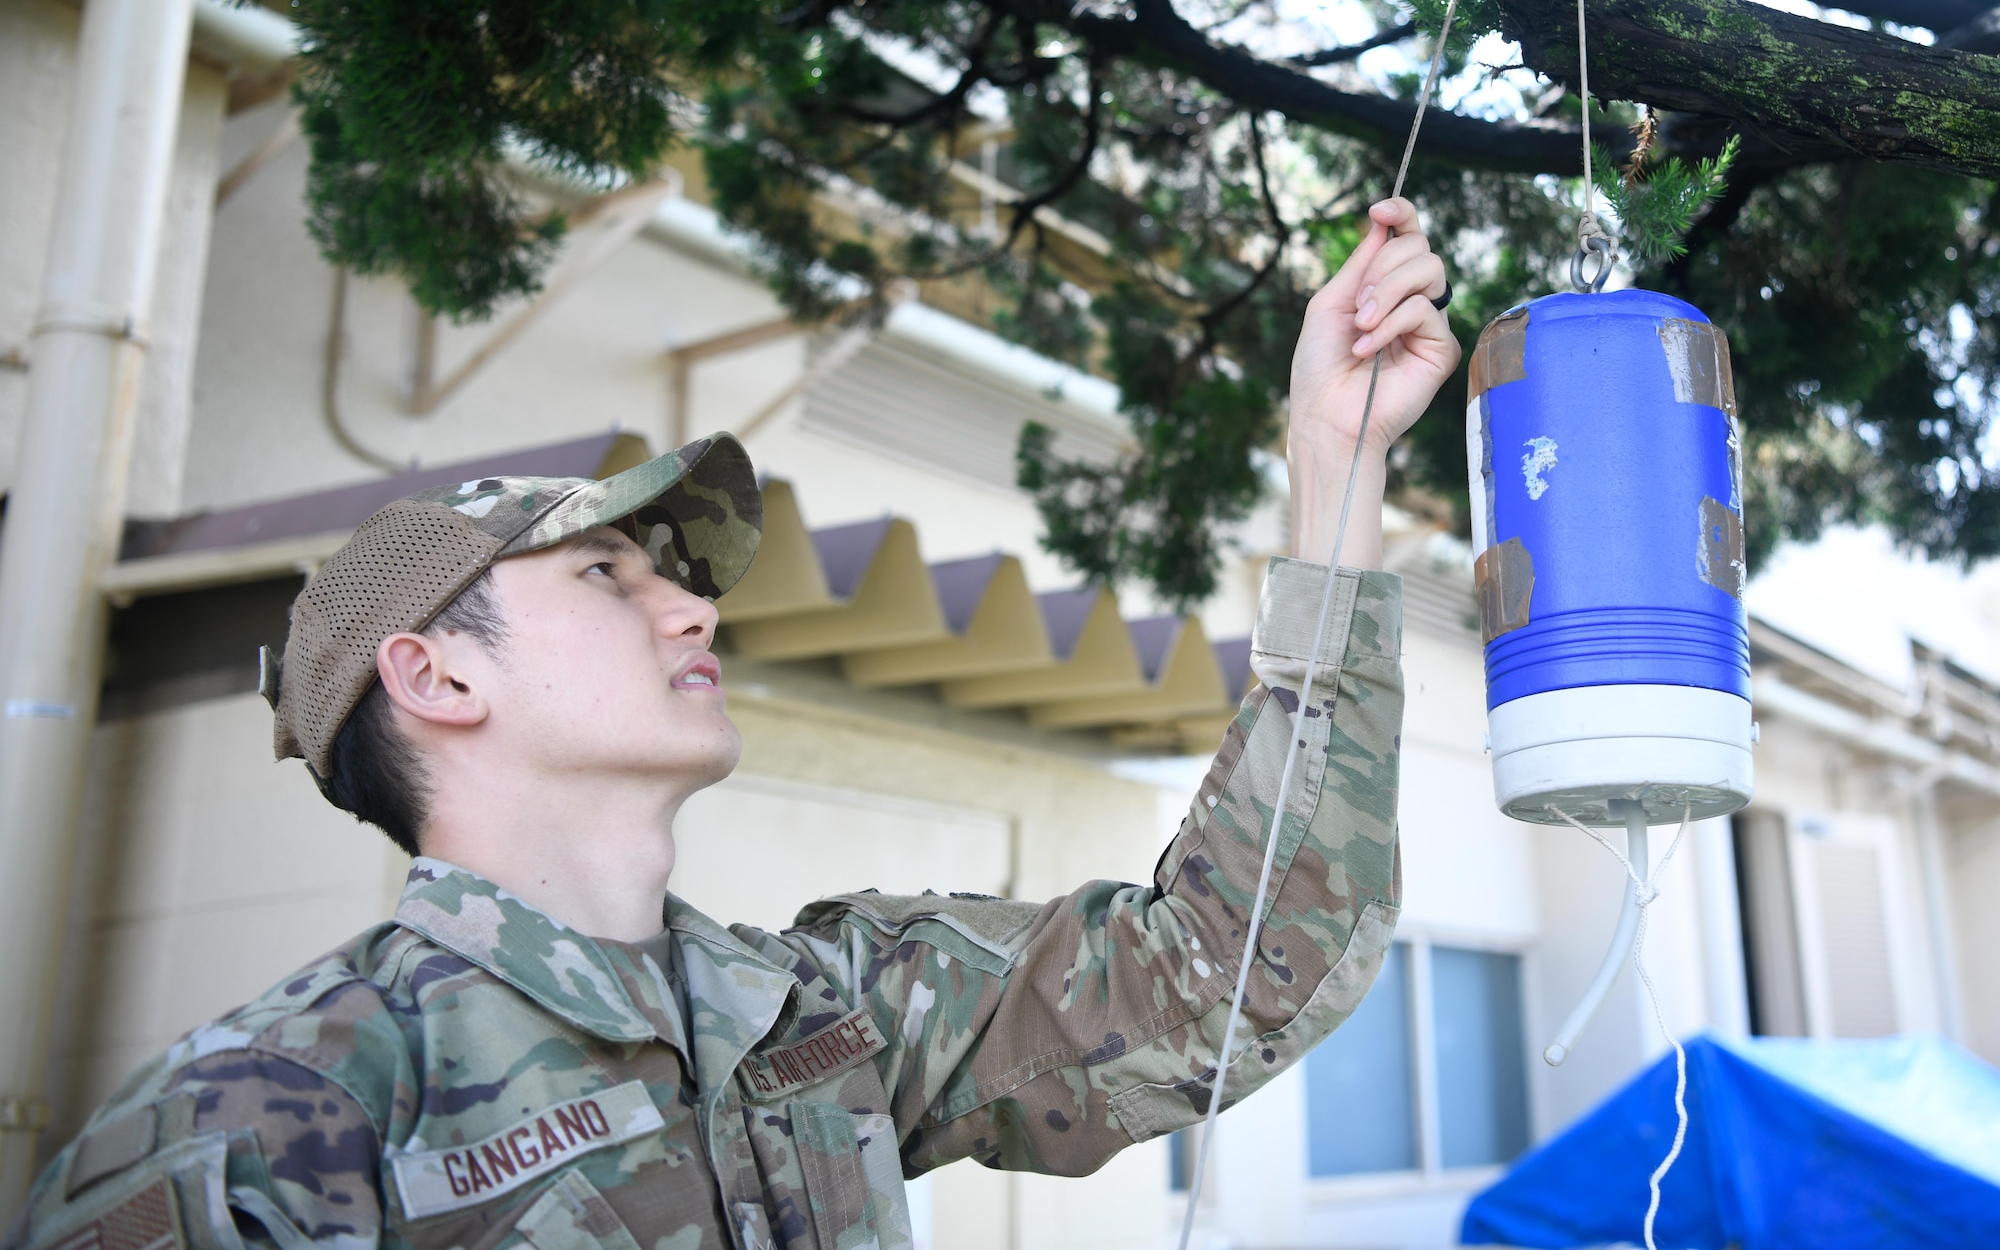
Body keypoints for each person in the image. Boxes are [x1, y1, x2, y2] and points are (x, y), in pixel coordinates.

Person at [5, 199, 1458, 1250]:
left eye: (679, 579)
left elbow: (1226, 966)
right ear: (438, 678)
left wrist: (1333, 466)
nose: (695, 611)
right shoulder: (272, 1117)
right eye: (604, 573)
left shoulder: (829, 1007)